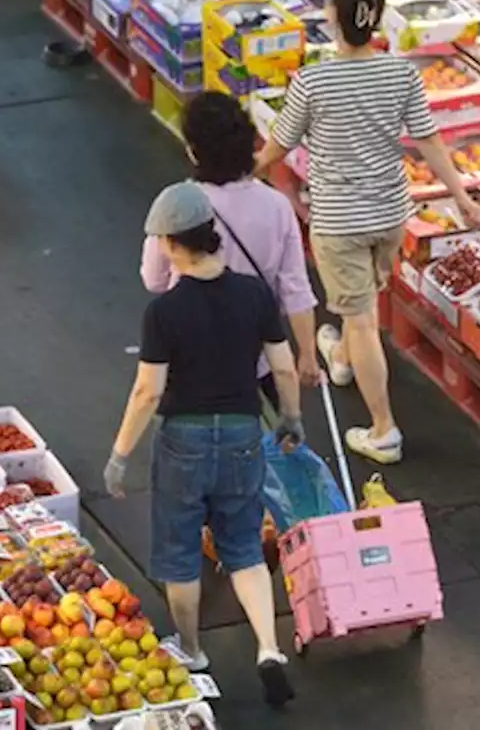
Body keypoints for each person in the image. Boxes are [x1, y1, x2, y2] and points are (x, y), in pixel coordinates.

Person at [255, 0, 480, 465]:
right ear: (377, 19)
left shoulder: (313, 81)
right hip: (389, 214)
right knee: (364, 298)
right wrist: (460, 196)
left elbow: (280, 143)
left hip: (339, 220)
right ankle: (342, 359)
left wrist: (237, 172)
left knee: (359, 318)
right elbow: (428, 140)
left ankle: (383, 429)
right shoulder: (400, 73)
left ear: (333, 16)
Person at [105, 181, 297, 708]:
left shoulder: (164, 312)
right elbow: (282, 364)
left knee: (181, 549)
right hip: (242, 432)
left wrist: (120, 456)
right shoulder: (253, 294)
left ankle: (191, 648)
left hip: (183, 440)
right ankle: (268, 648)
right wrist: (292, 419)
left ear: (170, 243)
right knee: (243, 547)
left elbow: (148, 391)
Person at [141, 92, 320, 402]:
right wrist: (307, 354)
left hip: (190, 357)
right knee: (264, 442)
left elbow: (154, 279)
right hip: (257, 355)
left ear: (194, 151)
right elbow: (295, 288)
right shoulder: (277, 206)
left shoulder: (177, 204)